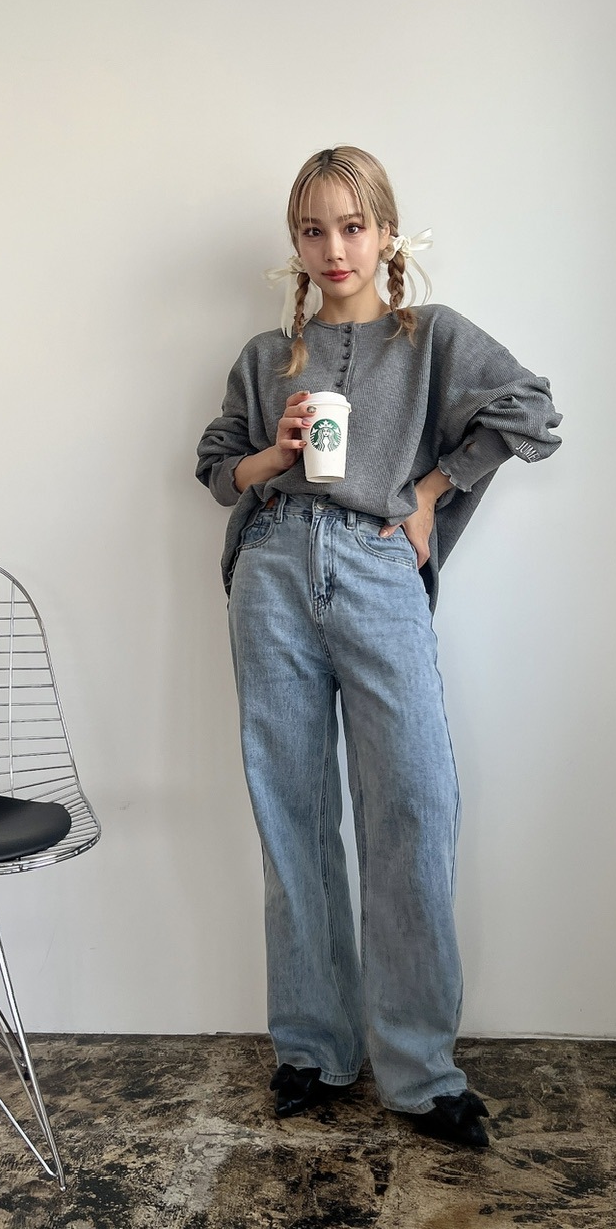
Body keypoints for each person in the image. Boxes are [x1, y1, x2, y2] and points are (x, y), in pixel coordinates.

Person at [196, 146, 562, 1147]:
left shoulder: (431, 337)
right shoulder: (267, 356)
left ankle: (421, 1070)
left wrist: (431, 494)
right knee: (293, 810)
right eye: (313, 229)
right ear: (296, 242)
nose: (335, 248)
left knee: (413, 803)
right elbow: (218, 466)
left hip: (376, 566)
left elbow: (530, 409)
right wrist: (272, 453)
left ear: (387, 233)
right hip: (273, 566)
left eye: (353, 226)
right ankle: (313, 1049)